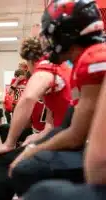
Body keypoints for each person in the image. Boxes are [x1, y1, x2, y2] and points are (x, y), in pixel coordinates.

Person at [7, 0, 106, 197]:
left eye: (50, 33)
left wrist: (33, 150)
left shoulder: (93, 60)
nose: (46, 42)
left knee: (33, 180)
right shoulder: (83, 61)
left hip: (94, 155)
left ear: (67, 33)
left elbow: (77, 136)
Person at [0, 36, 72, 200]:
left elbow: (27, 98)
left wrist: (9, 143)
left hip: (70, 139)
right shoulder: (61, 68)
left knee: (5, 159)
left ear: (30, 62)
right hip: (64, 134)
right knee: (25, 150)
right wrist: (36, 137)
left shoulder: (46, 68)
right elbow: (50, 125)